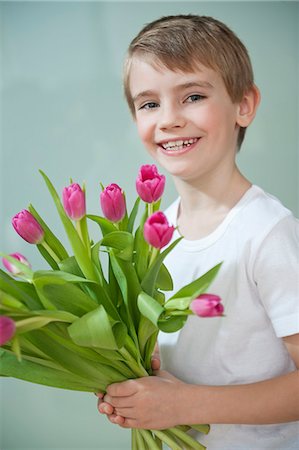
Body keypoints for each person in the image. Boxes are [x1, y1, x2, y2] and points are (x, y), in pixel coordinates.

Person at [97, 14, 299, 449]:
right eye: (149, 103)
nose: (168, 120)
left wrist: (184, 404)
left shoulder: (268, 233)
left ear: (243, 105)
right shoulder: (156, 233)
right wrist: (137, 385)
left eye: (192, 96)